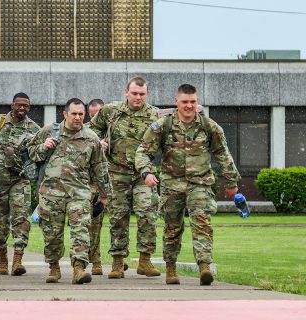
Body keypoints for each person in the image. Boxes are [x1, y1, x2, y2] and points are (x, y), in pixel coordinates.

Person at [135, 83, 240, 285]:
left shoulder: (209, 126)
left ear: (197, 102)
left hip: (200, 184)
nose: (189, 106)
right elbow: (143, 151)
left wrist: (231, 181)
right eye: (184, 102)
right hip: (171, 184)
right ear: (176, 102)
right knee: (173, 228)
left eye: (192, 102)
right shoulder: (163, 125)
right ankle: (171, 267)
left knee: (202, 224)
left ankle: (204, 267)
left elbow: (222, 153)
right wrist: (146, 172)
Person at [27, 98, 111, 284]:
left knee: (80, 229)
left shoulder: (91, 138)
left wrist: (105, 195)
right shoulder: (50, 131)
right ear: (65, 114)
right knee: (52, 234)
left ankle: (79, 269)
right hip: (51, 193)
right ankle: (54, 267)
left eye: (81, 114)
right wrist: (43, 146)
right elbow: (30, 152)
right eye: (74, 114)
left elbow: (100, 167)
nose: (78, 117)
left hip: (79, 192)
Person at [88, 77, 160, 279]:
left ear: (147, 94)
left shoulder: (153, 115)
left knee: (148, 214)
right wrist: (99, 142)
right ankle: (118, 263)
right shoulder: (111, 112)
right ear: (126, 92)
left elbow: (163, 140)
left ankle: (145, 260)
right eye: (134, 93)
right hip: (116, 174)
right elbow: (91, 129)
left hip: (141, 175)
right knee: (118, 219)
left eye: (142, 94)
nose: (138, 97)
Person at [0, 92, 40, 276]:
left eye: (25, 106)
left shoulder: (34, 128)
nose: (22, 108)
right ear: (12, 105)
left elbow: (37, 154)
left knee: (21, 218)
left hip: (20, 180)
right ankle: (3, 257)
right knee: (1, 221)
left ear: (29, 108)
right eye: (18, 104)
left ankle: (18, 259)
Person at [85, 98, 106, 275]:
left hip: (115, 182)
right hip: (92, 184)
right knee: (93, 224)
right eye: (91, 115)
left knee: (118, 225)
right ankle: (95, 260)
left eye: (98, 114)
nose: (94, 118)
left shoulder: (114, 129)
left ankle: (118, 260)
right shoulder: (84, 130)